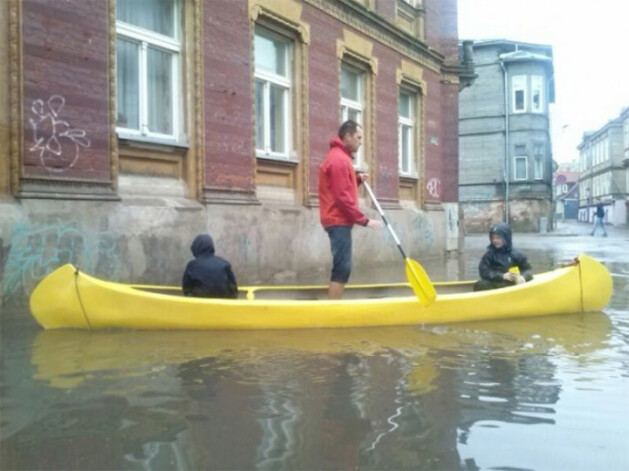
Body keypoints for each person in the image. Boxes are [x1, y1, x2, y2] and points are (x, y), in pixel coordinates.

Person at [318, 120, 383, 299]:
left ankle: (334, 304)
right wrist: (364, 220)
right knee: (342, 267)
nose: (361, 141)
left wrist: (357, 179)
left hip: (337, 218)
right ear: (347, 136)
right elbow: (342, 198)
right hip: (337, 219)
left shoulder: (340, 157)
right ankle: (333, 311)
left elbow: (341, 187)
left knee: (342, 265)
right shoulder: (339, 160)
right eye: (358, 137)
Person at [473, 223, 533, 291]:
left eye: (498, 238)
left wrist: (523, 277)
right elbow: (484, 272)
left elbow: (528, 270)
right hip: (496, 284)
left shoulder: (517, 254)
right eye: (493, 238)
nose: (495, 240)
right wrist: (502, 276)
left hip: (512, 285)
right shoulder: (489, 255)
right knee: (480, 284)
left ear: (506, 238)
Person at [182, 234, 238, 298]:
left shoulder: (192, 265)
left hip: (200, 306)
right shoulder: (225, 264)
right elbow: (234, 290)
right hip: (223, 306)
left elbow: (186, 290)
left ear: (196, 248)